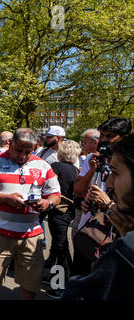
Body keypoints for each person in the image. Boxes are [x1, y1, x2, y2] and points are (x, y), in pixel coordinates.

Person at [0, 128, 61, 300]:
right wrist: (5, 199)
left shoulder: (43, 165)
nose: (23, 156)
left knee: (30, 282)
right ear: (10, 143)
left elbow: (56, 194)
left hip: (31, 234)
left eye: (28, 152)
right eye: (18, 150)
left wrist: (48, 203)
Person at [61, 134, 134, 300]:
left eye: (115, 173)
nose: (108, 183)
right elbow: (78, 190)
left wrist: (108, 206)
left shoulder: (126, 252)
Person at [72, 117, 132, 277]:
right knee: (79, 279)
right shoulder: (93, 159)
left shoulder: (129, 164)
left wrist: (107, 204)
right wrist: (91, 171)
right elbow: (77, 190)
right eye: (102, 136)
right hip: (88, 232)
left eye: (109, 136)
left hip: (115, 238)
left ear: (125, 138)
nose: (104, 141)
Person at [42, 140, 82, 299]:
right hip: (69, 213)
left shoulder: (56, 167)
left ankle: (61, 285)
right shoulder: (75, 170)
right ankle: (54, 277)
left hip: (57, 211)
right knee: (59, 246)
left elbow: (49, 187)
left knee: (61, 248)